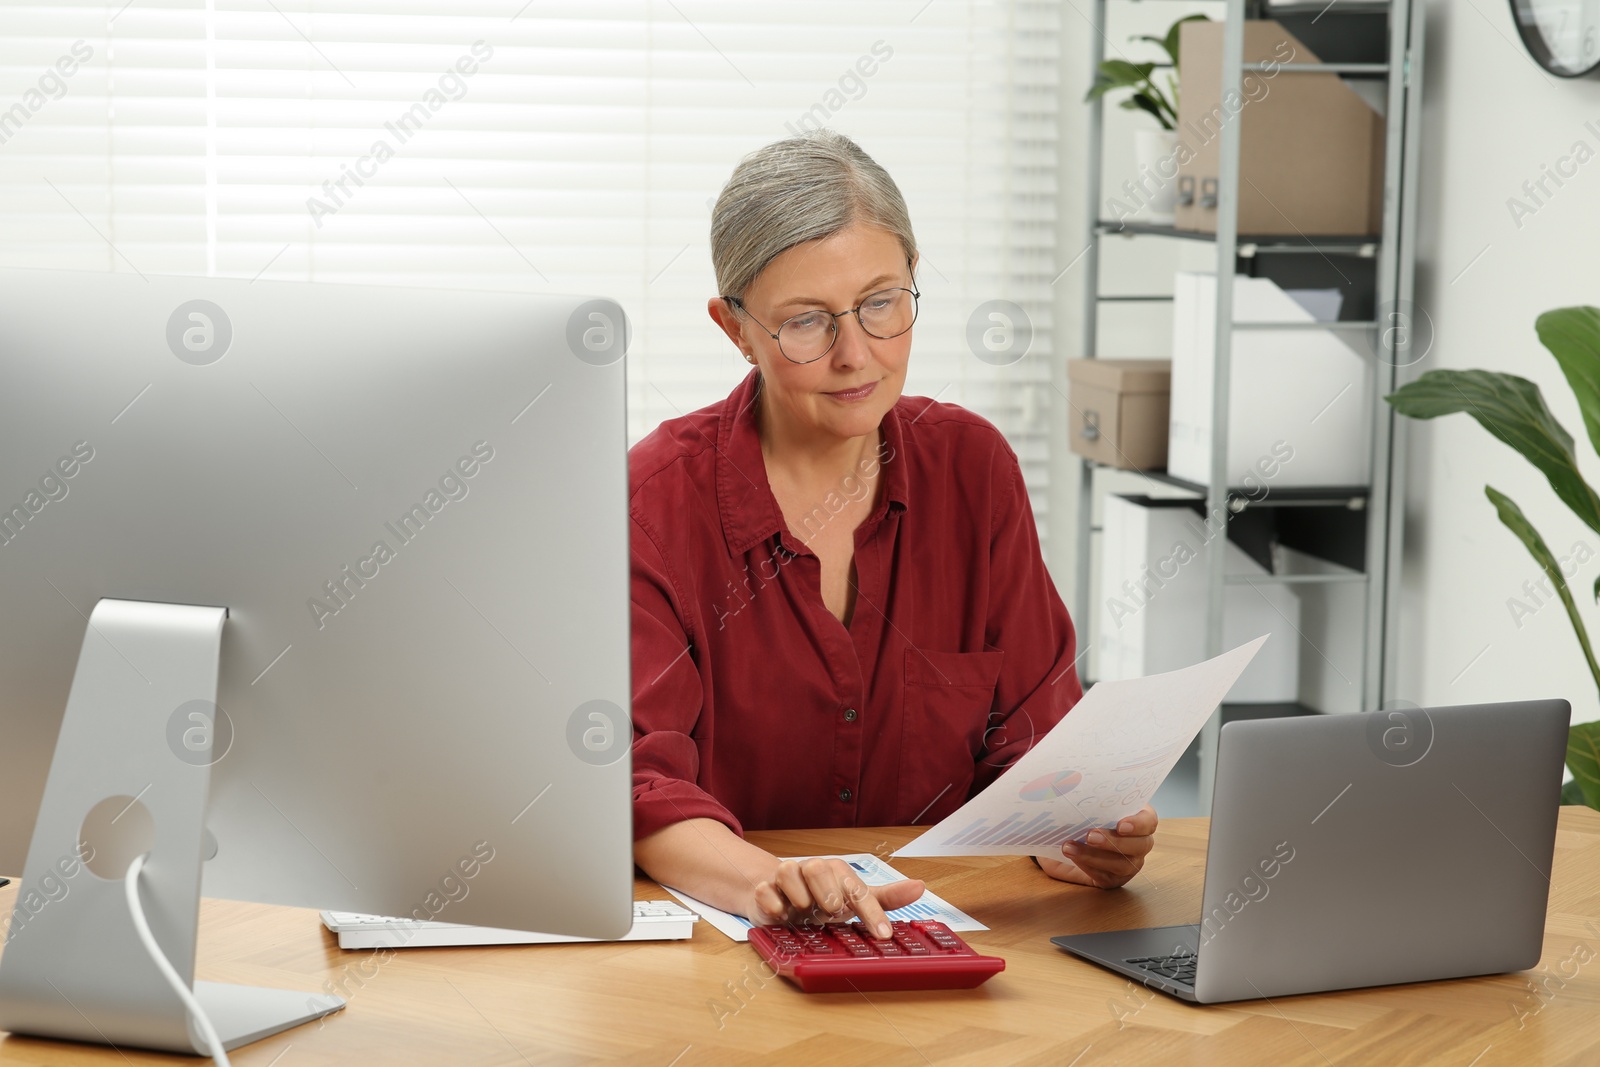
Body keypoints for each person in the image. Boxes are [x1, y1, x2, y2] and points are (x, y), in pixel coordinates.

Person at [629, 130, 1157, 939]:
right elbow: (643, 789)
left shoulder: (971, 468)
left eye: (883, 303)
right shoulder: (655, 500)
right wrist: (772, 881)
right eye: (806, 323)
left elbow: (1033, 744)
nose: (857, 355)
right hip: (727, 954)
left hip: (949, 943)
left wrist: (1077, 837)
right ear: (734, 329)